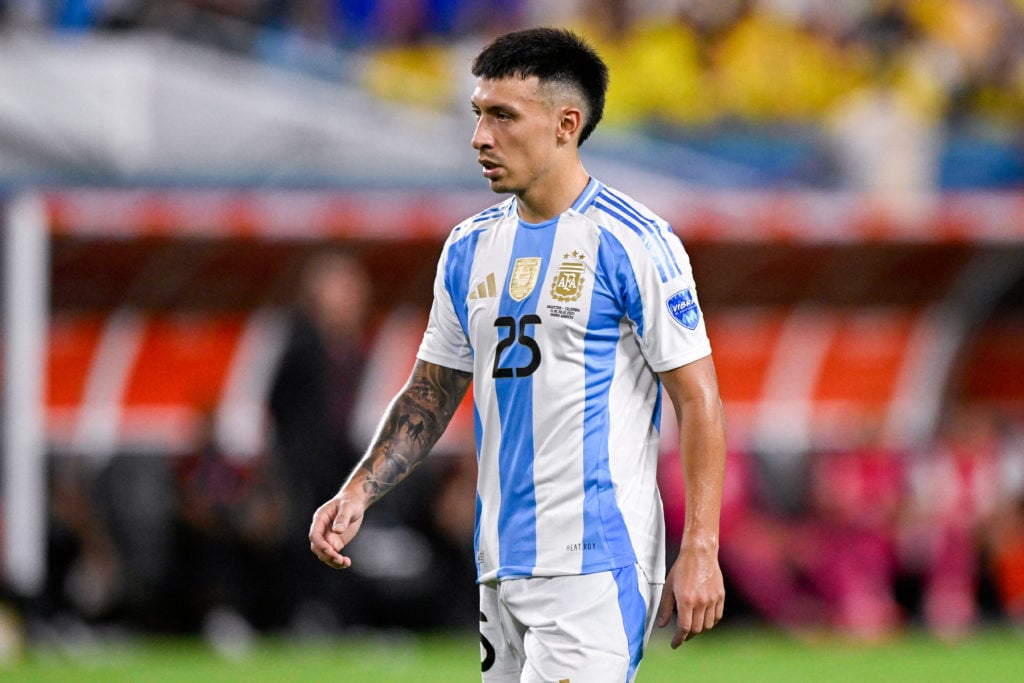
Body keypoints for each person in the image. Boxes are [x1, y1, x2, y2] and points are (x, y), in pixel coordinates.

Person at [310, 26, 726, 682]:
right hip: (499, 561)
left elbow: (697, 398)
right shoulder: (468, 246)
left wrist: (701, 545)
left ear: (566, 123)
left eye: (503, 116)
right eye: (478, 115)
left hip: (595, 557)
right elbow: (431, 390)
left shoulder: (634, 241)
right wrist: (360, 489)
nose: (480, 136)